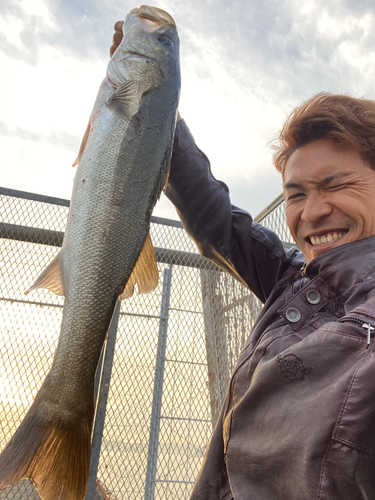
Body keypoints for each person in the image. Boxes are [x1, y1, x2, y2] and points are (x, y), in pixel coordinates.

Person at [112, 23, 375, 500]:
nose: (312, 212)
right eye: (296, 194)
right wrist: (154, 95)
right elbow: (216, 219)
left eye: (336, 185)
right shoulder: (291, 276)